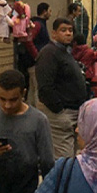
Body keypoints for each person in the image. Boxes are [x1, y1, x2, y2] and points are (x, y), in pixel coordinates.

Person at [36, 17, 88, 158]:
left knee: (74, 157)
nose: (68, 33)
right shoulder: (49, 53)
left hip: (72, 113)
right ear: (54, 33)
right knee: (64, 158)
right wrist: (59, 111)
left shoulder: (65, 52)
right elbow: (45, 87)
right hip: (60, 115)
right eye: (63, 30)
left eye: (70, 30)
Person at [21, 2, 51, 103]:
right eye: (49, 11)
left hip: (35, 62)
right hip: (35, 63)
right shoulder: (38, 25)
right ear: (44, 12)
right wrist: (37, 56)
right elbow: (28, 40)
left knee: (32, 88)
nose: (50, 13)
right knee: (37, 88)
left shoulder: (39, 24)